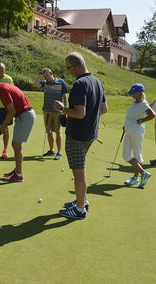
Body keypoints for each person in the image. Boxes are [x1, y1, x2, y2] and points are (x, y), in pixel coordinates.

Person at [53, 52, 107, 220]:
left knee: (79, 172)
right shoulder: (97, 82)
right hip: (90, 134)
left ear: (75, 66)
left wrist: (62, 108)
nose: (68, 71)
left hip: (77, 135)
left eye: (68, 68)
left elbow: (79, 113)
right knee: (80, 169)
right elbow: (104, 109)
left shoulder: (79, 84)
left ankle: (79, 209)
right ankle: (82, 200)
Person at [0, 78, 36, 182]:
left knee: (16, 145)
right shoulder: (2, 87)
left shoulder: (2, 90)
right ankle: (17, 170)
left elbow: (11, 111)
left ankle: (18, 175)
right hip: (24, 114)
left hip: (25, 115)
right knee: (16, 144)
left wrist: (3, 125)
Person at [122, 83, 156, 187]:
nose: (132, 94)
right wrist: (126, 125)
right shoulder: (134, 101)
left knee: (137, 155)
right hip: (129, 130)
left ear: (139, 93)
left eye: (133, 93)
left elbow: (152, 115)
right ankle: (143, 174)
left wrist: (142, 120)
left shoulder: (143, 104)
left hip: (137, 131)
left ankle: (136, 178)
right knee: (126, 155)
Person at [34, 67, 68, 160]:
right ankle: (51, 150)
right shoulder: (44, 83)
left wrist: (65, 110)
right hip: (46, 111)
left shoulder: (61, 82)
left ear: (51, 73)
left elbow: (65, 96)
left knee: (57, 132)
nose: (47, 78)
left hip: (57, 112)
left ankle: (59, 152)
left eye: (47, 76)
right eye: (45, 76)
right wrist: (40, 75)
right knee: (48, 131)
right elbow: (36, 85)